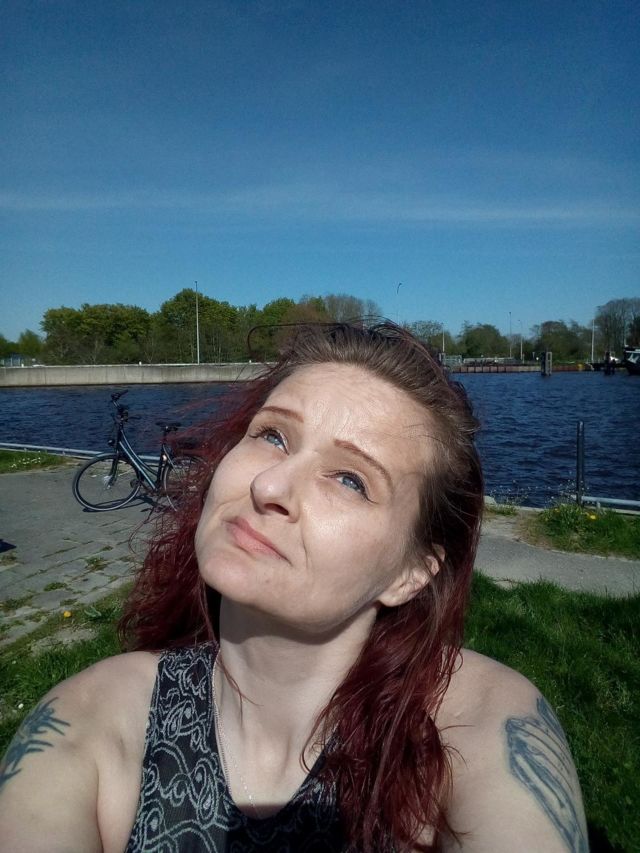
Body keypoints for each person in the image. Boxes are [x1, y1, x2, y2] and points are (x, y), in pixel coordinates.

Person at [0, 322, 588, 852]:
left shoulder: (477, 727)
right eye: (273, 436)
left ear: (411, 573)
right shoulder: (93, 720)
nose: (270, 486)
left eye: (350, 480)